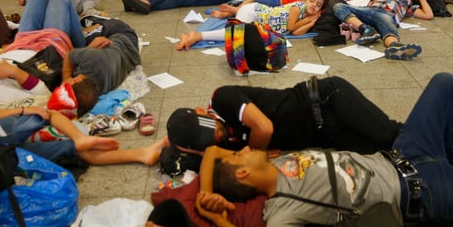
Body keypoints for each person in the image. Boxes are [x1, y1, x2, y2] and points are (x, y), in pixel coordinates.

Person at [198, 72, 453, 227]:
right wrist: (216, 218)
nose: (243, 150)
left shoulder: (278, 159)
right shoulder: (281, 208)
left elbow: (212, 152)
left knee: (445, 82)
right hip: (422, 190)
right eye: (239, 156)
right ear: (243, 173)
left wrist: (205, 193)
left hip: (404, 153)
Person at [0, 76, 167, 167]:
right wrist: (22, 112)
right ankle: (79, 135)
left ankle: (141, 154)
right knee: (48, 113)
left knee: (77, 152)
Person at [168, 74, 402, 155]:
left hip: (326, 99)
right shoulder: (213, 145)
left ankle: (438, 127)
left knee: (388, 135)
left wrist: (252, 152)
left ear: (202, 111)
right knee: (385, 154)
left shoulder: (222, 98)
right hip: (326, 135)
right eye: (206, 140)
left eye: (211, 130)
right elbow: (158, 151)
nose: (215, 138)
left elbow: (264, 128)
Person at [175, 0, 328, 50]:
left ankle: (196, 35)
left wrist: (311, 22)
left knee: (237, 34)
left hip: (257, 22)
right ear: (305, 0)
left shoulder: (306, 16)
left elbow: (296, 33)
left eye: (318, 5)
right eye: (311, 0)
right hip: (254, 12)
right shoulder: (298, 7)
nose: (313, 5)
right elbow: (292, 27)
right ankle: (197, 36)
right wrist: (308, 20)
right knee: (235, 34)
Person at [333, 0, 433, 60]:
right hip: (368, 10)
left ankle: (394, 47)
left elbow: (428, 15)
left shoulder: (406, 3)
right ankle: (365, 29)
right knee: (339, 6)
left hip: (386, 15)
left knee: (389, 28)